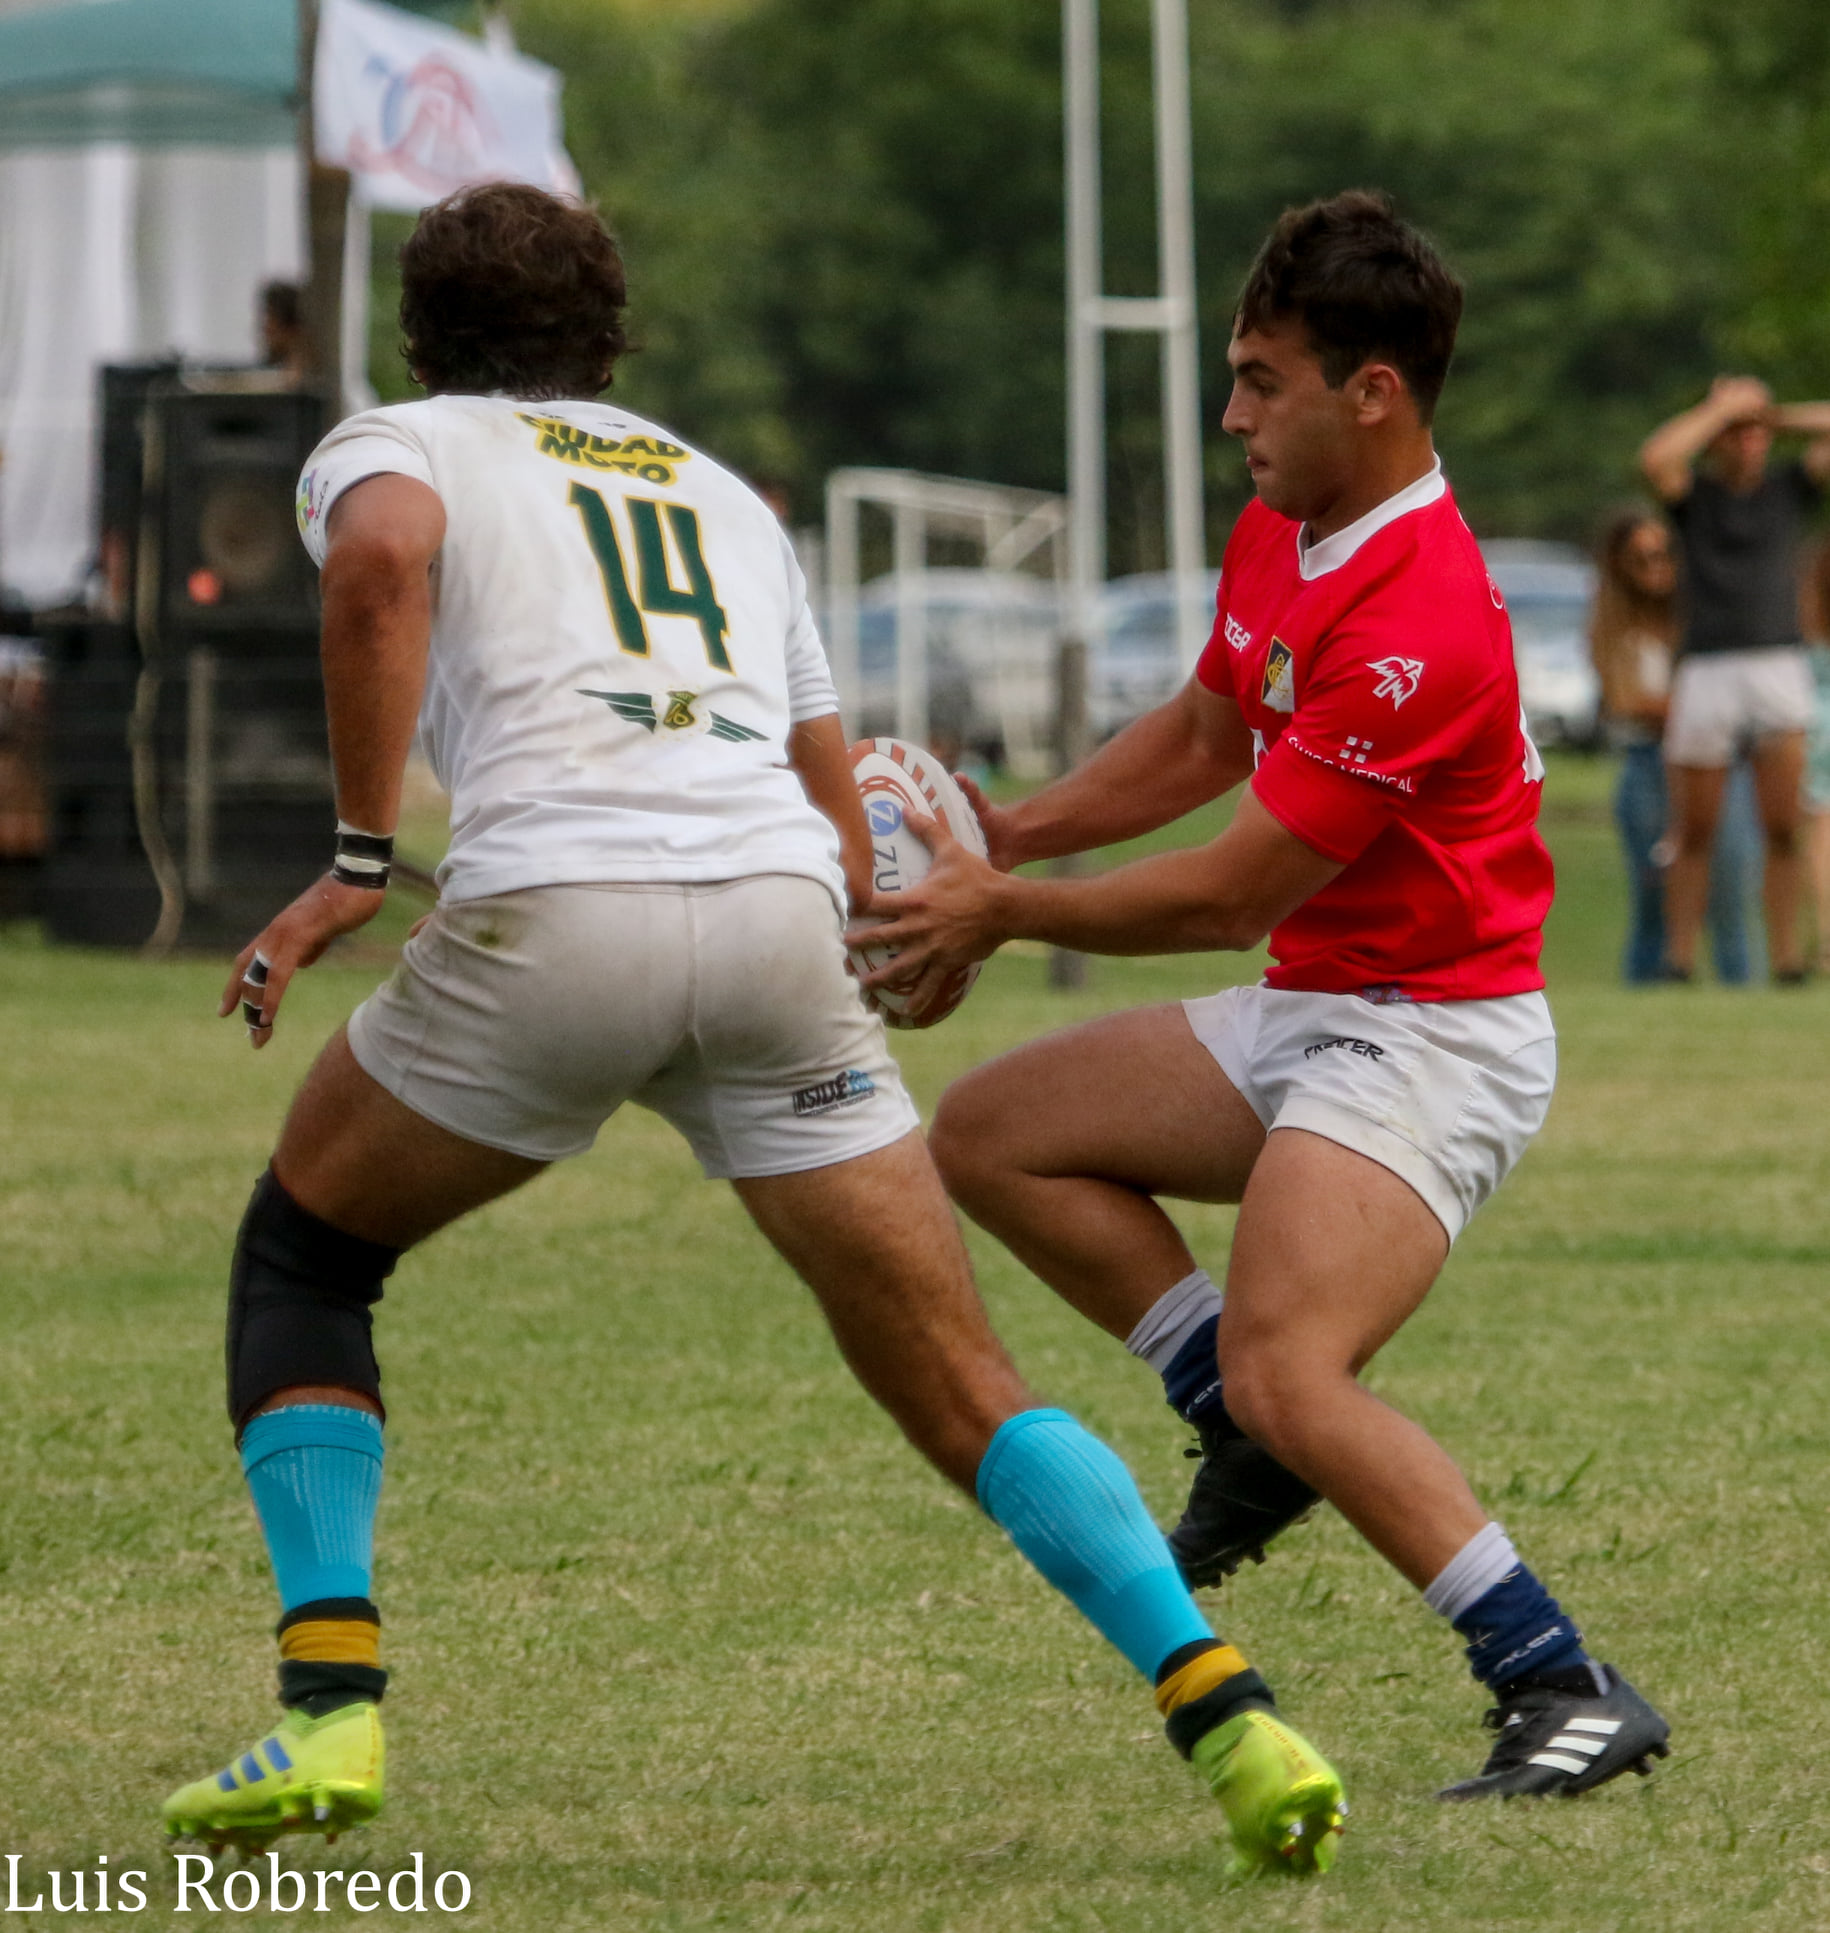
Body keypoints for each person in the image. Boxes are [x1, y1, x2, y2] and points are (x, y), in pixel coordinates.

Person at [157, 184, 1345, 1879]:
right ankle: (1235, 1715)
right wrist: (889, 918)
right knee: (961, 1377)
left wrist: (357, 860)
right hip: (781, 915)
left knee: (308, 1257)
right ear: (608, 336)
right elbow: (818, 770)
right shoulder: (715, 491)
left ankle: (331, 1694)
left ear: (424, 338)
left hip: (557, 913)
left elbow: (381, 562)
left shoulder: (398, 441)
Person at [860, 191, 1670, 1800]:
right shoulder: (1285, 529)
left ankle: (1560, 1680)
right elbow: (1201, 735)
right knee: (995, 1130)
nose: (1230, 412)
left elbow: (1234, 884)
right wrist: (1008, 829)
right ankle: (1224, 1415)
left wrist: (1002, 906)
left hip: (1437, 1034)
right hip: (1324, 1003)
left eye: (1260, 378)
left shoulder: (1418, 616)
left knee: (1296, 1370)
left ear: (1371, 391)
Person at [1639, 376, 1830, 983]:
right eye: (1734, 433)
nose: (1746, 442)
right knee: (1696, 828)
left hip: (1777, 662)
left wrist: (1770, 414)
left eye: (1753, 433)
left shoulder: (1788, 489)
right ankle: (1680, 959)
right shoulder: (1694, 496)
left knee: (1783, 826)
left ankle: (1788, 961)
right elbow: (1657, 457)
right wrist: (1718, 409)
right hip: (1709, 666)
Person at [1588, 508, 1762, 984]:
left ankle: (1744, 998)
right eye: (1640, 558)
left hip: (1718, 766)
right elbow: (1624, 700)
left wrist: (1678, 706)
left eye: (1664, 555)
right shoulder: (1612, 623)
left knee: (1729, 899)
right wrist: (1699, 703)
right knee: (1653, 900)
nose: (1655, 567)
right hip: (1649, 766)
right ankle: (1650, 993)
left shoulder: (1703, 615)